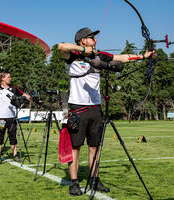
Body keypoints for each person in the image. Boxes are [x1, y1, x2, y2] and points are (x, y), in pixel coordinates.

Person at [58, 27, 153, 196]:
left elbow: (122, 58)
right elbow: (61, 47)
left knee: (94, 147)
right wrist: (82, 50)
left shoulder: (100, 56)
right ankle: (74, 183)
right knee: (75, 147)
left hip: (96, 108)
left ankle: (94, 180)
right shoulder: (73, 56)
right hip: (77, 108)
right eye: (91, 38)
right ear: (83, 40)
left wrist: (143, 56)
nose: (95, 40)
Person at [0, 72, 31, 165]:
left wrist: (32, 99)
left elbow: (25, 95)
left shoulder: (14, 88)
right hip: (1, 119)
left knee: (13, 137)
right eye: (8, 77)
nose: (10, 78)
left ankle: (15, 155)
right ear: (3, 78)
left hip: (11, 118)